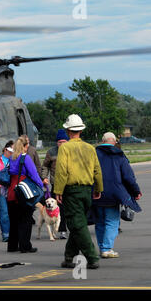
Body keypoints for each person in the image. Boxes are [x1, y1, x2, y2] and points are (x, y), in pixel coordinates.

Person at [54, 114, 103, 269]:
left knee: (77, 224)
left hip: (72, 191)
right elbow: (97, 171)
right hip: (86, 190)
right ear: (80, 130)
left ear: (68, 131)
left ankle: (92, 257)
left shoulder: (65, 148)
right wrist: (98, 188)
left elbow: (61, 171)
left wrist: (58, 191)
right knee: (78, 223)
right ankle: (69, 257)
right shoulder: (90, 148)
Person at [93, 132, 142, 258]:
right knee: (112, 221)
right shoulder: (119, 155)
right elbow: (128, 177)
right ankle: (107, 248)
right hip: (114, 194)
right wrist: (136, 191)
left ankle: (102, 247)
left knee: (99, 222)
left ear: (102, 141)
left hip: (96, 193)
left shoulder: (93, 154)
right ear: (114, 142)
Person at [7, 136, 43, 253]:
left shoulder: (11, 158)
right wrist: (40, 185)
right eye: (27, 146)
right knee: (25, 220)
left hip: (12, 192)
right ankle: (25, 245)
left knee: (13, 221)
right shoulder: (25, 158)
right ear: (24, 146)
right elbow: (33, 173)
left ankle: (12, 246)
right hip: (23, 191)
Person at [42, 129, 70, 239]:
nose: (62, 144)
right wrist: (44, 177)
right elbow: (45, 166)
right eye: (60, 142)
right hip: (56, 184)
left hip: (70, 184)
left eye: (64, 141)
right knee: (60, 208)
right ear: (56, 142)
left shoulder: (72, 151)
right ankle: (62, 230)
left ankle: (74, 229)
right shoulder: (51, 152)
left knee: (71, 209)